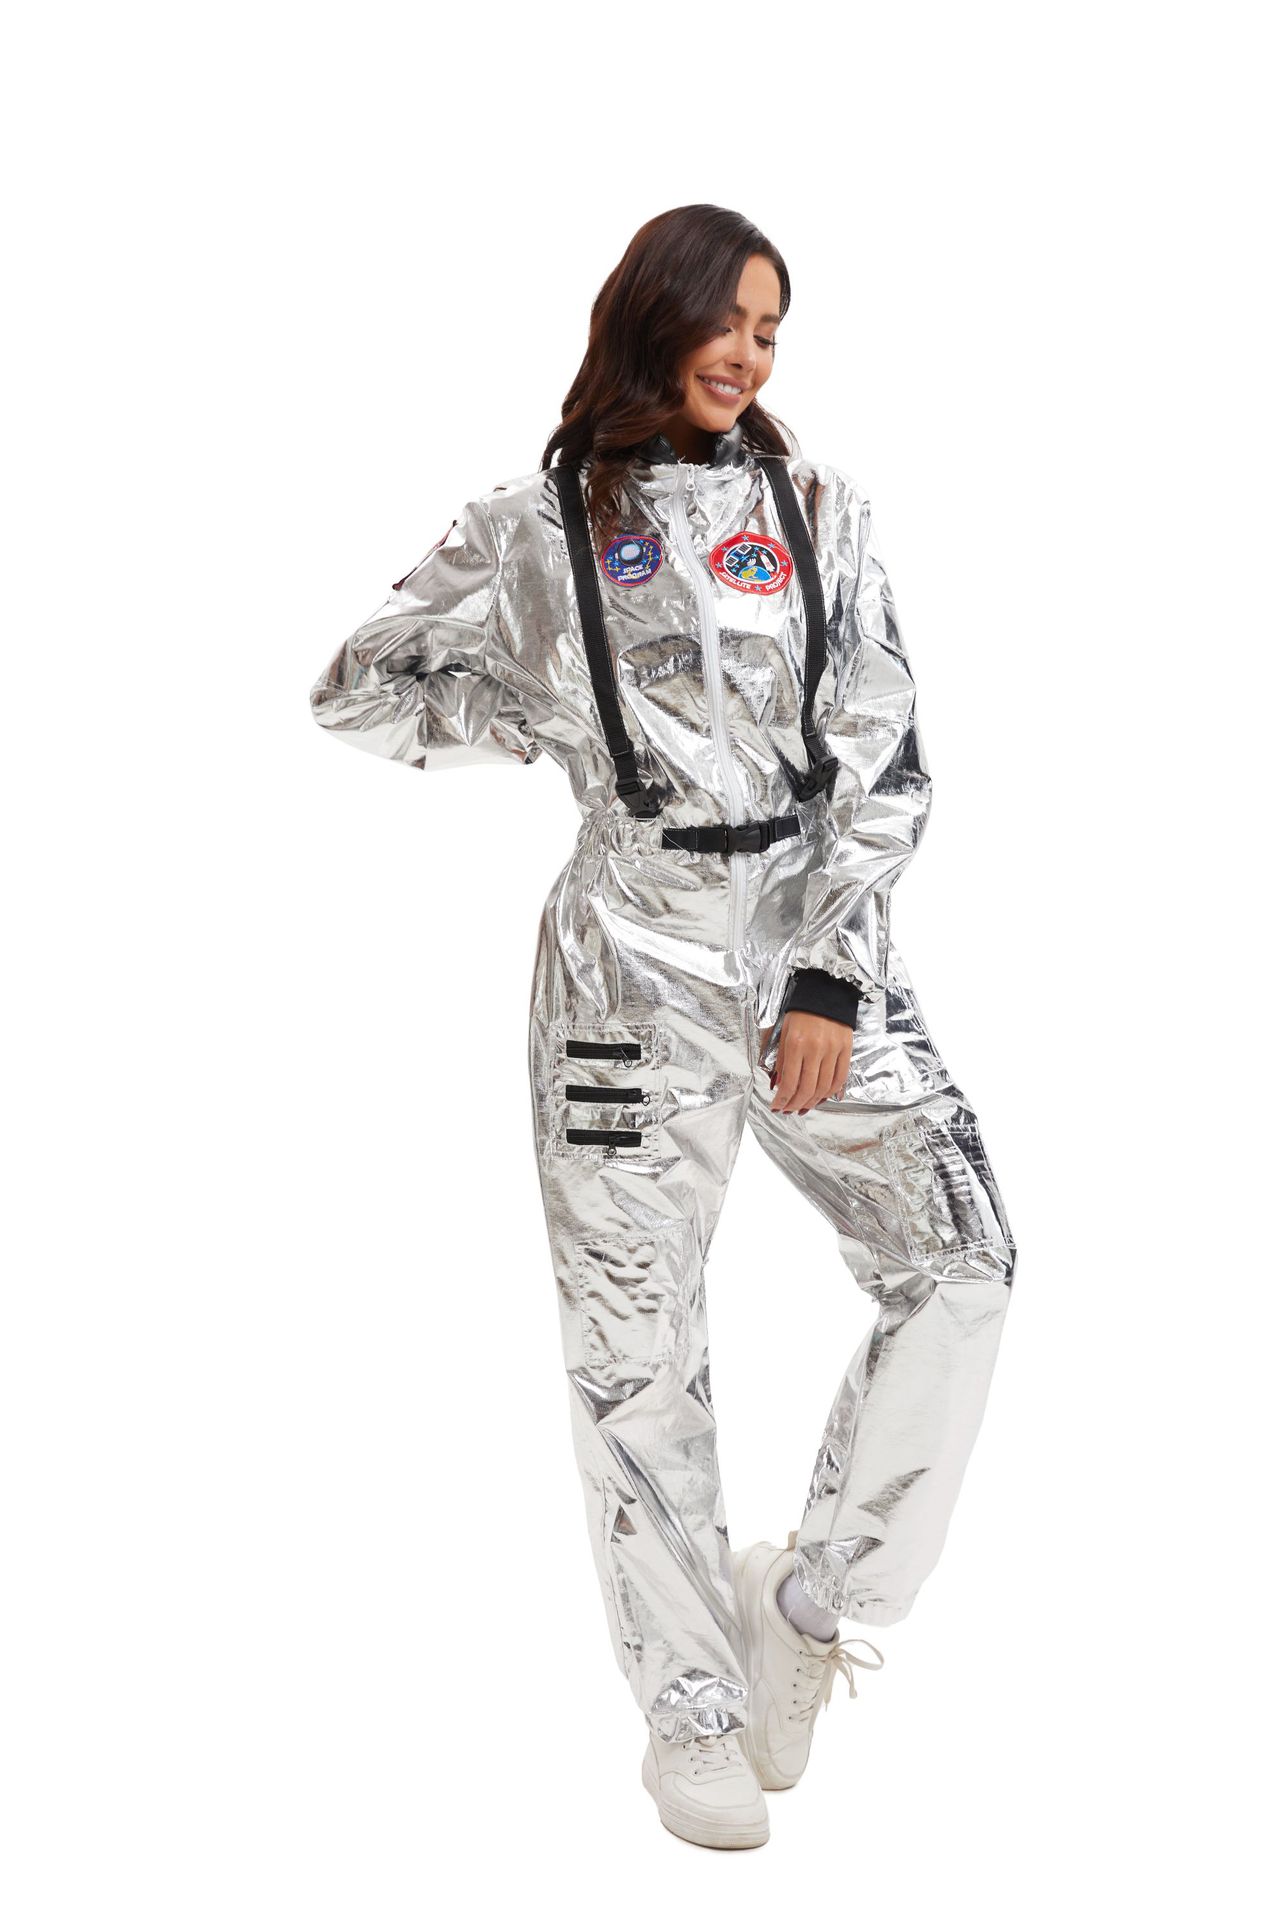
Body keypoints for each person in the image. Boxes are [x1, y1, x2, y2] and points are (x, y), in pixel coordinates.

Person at [308, 203, 1018, 1851]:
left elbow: (883, 757)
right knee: (639, 1345)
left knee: (963, 1257)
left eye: (773, 331)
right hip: (625, 969)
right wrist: (544, 714)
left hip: (813, 949)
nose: (751, 354)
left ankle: (811, 1605)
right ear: (657, 312)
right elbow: (356, 684)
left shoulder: (822, 509)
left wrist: (830, 976)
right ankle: (690, 1709)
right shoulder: (531, 525)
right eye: (730, 320)